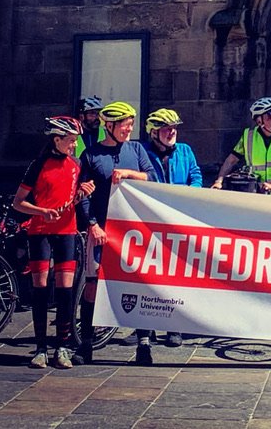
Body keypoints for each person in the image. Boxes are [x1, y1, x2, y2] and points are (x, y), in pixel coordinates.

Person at [76, 101, 155, 366]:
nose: (129, 128)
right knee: (92, 285)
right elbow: (83, 195)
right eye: (125, 124)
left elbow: (152, 178)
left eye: (131, 123)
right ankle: (85, 344)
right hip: (102, 230)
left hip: (132, 230)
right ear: (109, 126)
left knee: (139, 284)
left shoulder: (136, 149)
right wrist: (92, 224)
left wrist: (131, 174)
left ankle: (144, 344)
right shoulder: (91, 154)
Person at [12, 117, 94, 369]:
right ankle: (40, 349)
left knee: (65, 289)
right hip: (40, 233)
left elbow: (77, 194)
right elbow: (19, 202)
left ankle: (62, 346)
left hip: (67, 232)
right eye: (70, 141)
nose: (74, 145)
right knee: (40, 287)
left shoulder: (77, 164)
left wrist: (84, 192)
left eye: (76, 141)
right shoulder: (38, 165)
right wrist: (41, 211)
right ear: (56, 140)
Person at [142, 107, 202, 348]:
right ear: (154, 132)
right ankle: (143, 328)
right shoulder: (142, 152)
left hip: (178, 223)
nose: (172, 132)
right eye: (167, 128)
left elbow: (196, 175)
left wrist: (190, 194)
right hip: (151, 222)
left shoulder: (185, 151)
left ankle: (173, 327)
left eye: (175, 127)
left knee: (175, 275)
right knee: (148, 276)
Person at [211, 97, 271, 195]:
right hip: (258, 194)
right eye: (270, 117)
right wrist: (219, 181)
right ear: (259, 121)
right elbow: (231, 161)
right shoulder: (248, 136)